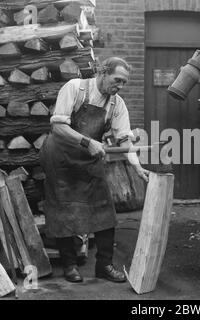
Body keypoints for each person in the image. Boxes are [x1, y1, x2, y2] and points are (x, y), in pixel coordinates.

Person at [40, 57, 149, 283]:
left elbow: (124, 142)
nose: (119, 86)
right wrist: (88, 142)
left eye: (124, 83)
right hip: (60, 159)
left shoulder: (116, 104)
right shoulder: (75, 88)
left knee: (105, 210)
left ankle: (104, 265)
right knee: (64, 209)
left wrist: (138, 168)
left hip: (88, 162)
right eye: (117, 80)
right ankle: (69, 265)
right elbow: (58, 128)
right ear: (102, 72)